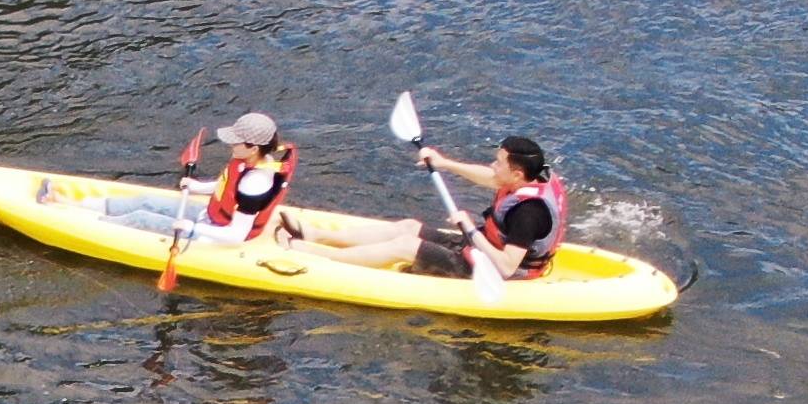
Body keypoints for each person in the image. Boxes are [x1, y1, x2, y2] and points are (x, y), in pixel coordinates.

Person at [297, 135, 567, 282]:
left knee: (405, 245)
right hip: (484, 248)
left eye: (498, 163)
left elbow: (507, 267)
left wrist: (471, 231)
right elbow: (492, 178)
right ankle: (318, 235)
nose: (493, 167)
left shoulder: (529, 213)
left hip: (499, 271)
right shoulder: (532, 176)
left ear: (518, 173)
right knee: (409, 227)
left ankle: (319, 256)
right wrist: (444, 163)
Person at [182, 112, 300, 245]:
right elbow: (229, 187)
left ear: (254, 149)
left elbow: (236, 235)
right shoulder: (262, 159)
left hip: (220, 235)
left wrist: (192, 227)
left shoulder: (254, 185)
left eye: (236, 142)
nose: (231, 145)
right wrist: (196, 187)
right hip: (211, 216)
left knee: (153, 221)